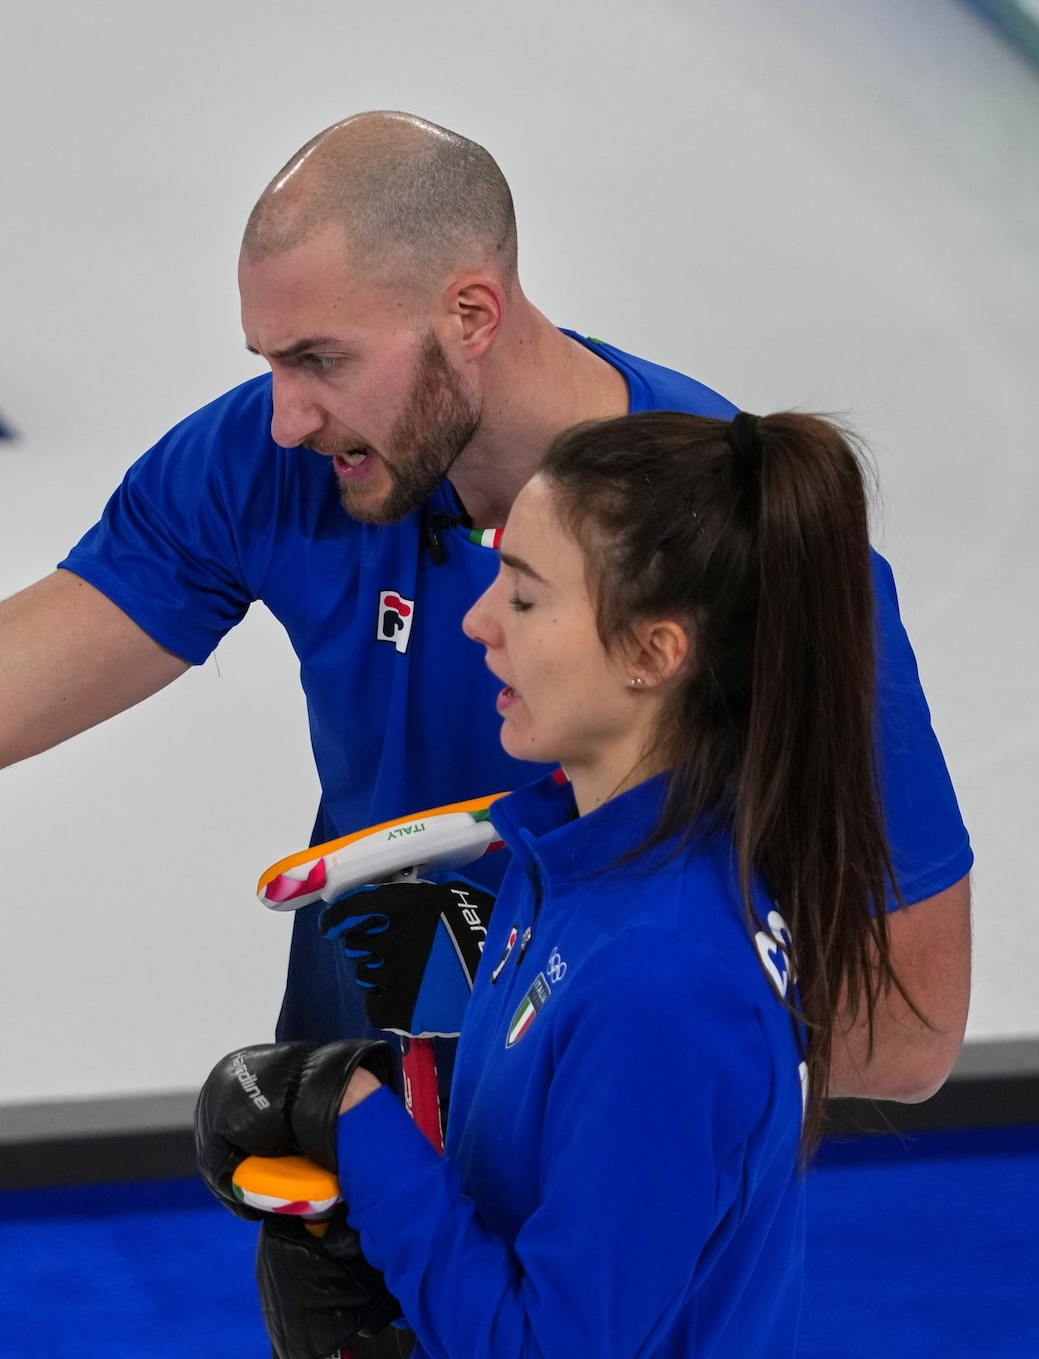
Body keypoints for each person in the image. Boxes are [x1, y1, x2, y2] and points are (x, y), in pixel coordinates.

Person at [0, 112, 968, 1091]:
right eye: (269, 362)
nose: (287, 415)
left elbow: (906, 1026)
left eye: (321, 360)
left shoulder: (745, 544)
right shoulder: (272, 462)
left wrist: (529, 998)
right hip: (354, 1156)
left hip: (606, 1201)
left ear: (470, 312)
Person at [197, 409, 908, 1357]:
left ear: (654, 652)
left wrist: (359, 1124)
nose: (478, 621)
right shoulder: (571, 857)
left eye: (526, 598)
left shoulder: (662, 980)